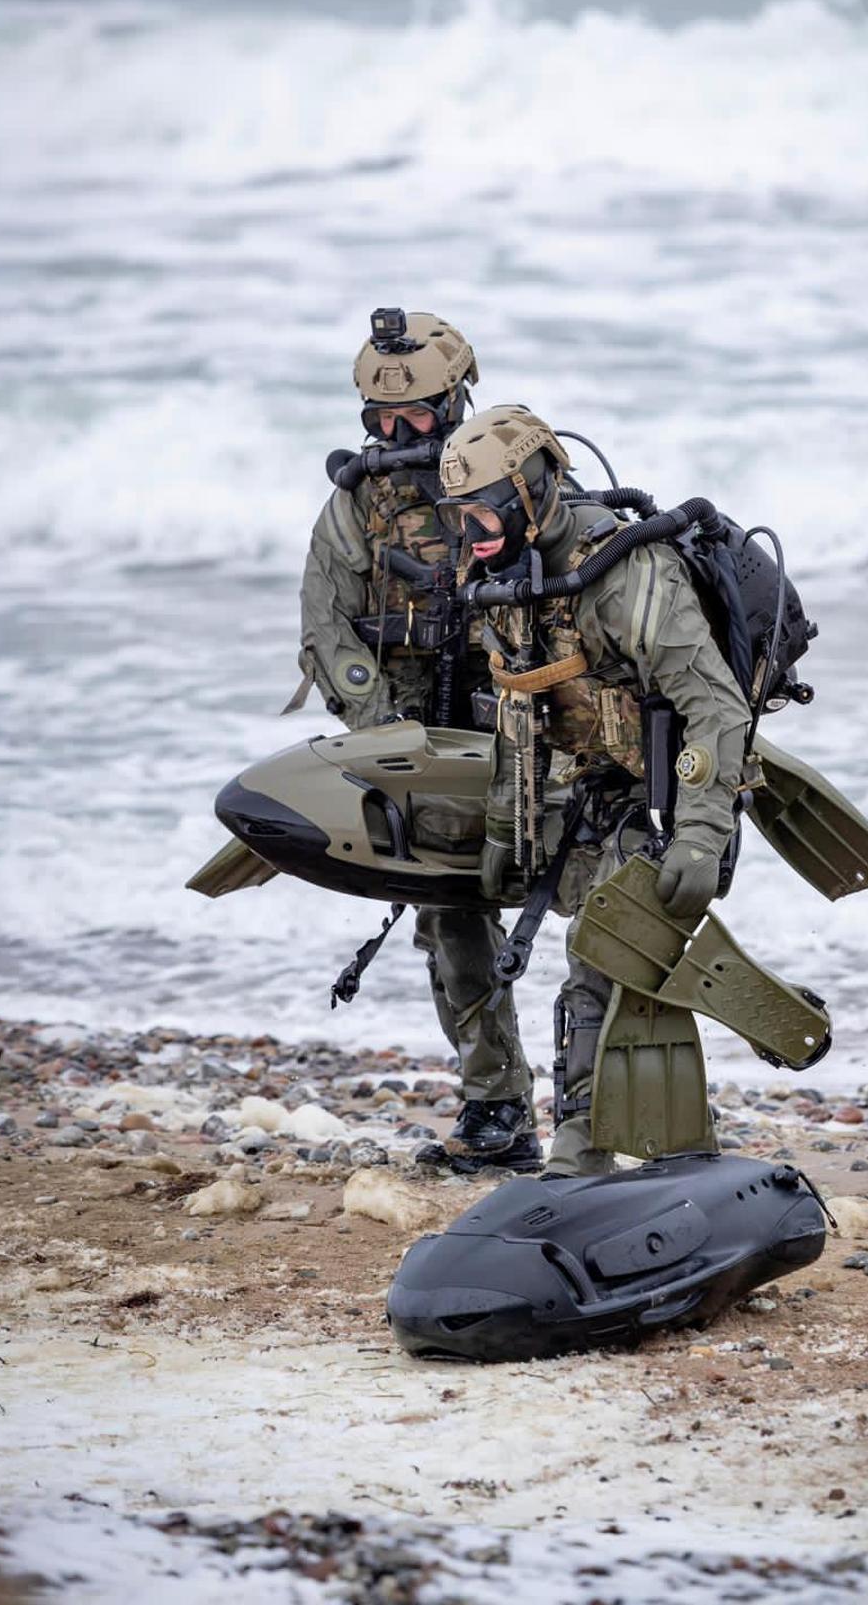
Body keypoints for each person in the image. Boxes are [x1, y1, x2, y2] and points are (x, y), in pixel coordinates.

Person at [436, 405, 752, 1177]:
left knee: (598, 958)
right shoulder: (501, 576)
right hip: (576, 794)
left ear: (528, 488)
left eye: (482, 510)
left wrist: (703, 835)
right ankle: (674, 1135)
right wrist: (506, 838)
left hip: (668, 803)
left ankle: (582, 1150)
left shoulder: (628, 575)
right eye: (458, 515)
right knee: (449, 904)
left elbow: (717, 709)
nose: (470, 530)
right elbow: (520, 714)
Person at [287, 310, 538, 1172]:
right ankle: (498, 1106)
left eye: (417, 419)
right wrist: (381, 730)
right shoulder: (360, 503)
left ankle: (601, 1103)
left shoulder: (510, 472)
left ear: (458, 399)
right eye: (380, 421)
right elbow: (326, 623)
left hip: (523, 716)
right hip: (417, 728)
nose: (397, 436)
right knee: (450, 915)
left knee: (586, 898)